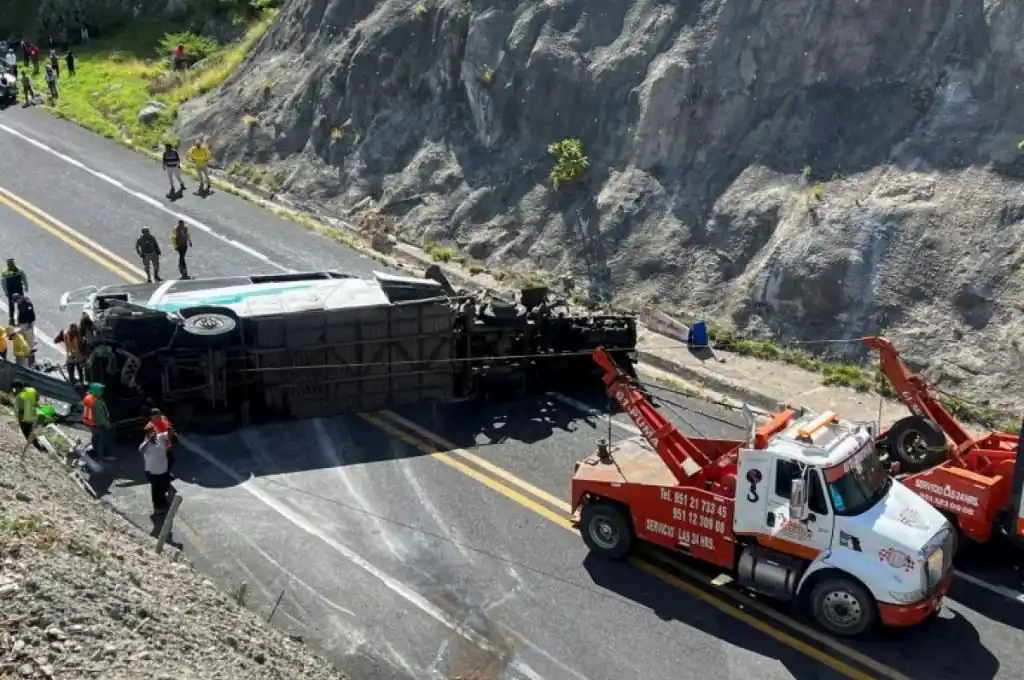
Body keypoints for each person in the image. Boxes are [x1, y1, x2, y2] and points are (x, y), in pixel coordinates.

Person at [140, 424, 171, 513]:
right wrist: (149, 440)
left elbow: (168, 433)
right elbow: (141, 450)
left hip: (163, 471)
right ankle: (158, 508)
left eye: (154, 431)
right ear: (147, 434)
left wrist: (169, 427)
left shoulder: (159, 438)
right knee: (157, 490)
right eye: (151, 432)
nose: (154, 433)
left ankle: (163, 502)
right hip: (153, 472)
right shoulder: (146, 444)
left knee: (164, 486)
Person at [82, 382, 113, 462]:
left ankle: (95, 452)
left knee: (95, 437)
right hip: (97, 423)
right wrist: (107, 425)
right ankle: (103, 455)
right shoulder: (96, 402)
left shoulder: (88, 397)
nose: (102, 391)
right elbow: (101, 417)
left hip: (90, 422)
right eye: (101, 390)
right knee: (103, 438)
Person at [149, 407, 175, 473]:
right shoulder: (151, 425)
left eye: (158, 415)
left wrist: (170, 431)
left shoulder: (163, 418)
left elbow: (170, 428)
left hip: (166, 445)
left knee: (171, 460)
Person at [1, 258, 27, 325]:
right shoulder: (5, 272)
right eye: (9, 264)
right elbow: (3, 283)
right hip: (11, 291)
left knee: (20, 305)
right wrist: (6, 291)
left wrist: (25, 285)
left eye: (12, 263)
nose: (11, 265)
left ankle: (20, 320)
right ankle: (12, 321)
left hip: (19, 289)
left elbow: (23, 277)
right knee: (11, 307)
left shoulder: (19, 270)